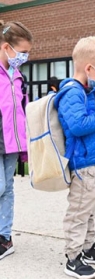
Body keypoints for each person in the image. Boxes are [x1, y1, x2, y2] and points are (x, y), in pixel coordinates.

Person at [54, 34, 95, 279]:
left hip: (94, 159)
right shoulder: (72, 93)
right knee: (79, 210)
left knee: (89, 209)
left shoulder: (87, 91)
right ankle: (73, 257)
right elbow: (79, 126)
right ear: (89, 68)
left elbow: (93, 122)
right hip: (83, 163)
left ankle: (88, 248)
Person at [0, 20, 33, 260]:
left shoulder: (19, 76)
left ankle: (4, 237)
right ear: (5, 48)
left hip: (11, 142)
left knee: (8, 188)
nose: (25, 57)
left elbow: (23, 108)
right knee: (0, 186)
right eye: (22, 52)